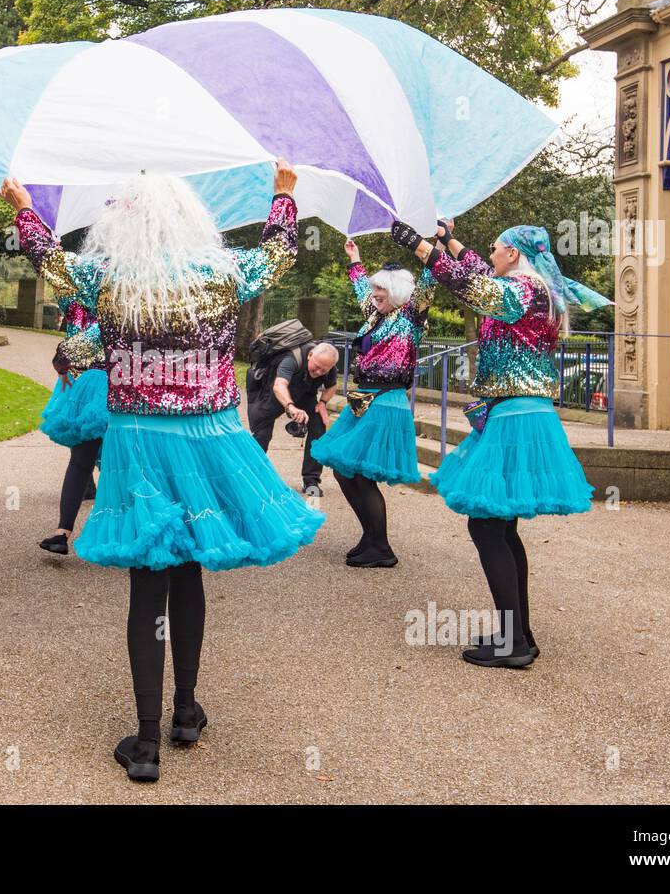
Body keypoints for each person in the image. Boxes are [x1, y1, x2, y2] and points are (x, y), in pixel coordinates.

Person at [2, 161, 323, 783]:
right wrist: (283, 193)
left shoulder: (107, 278)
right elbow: (279, 253)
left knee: (149, 580)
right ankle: (185, 712)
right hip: (209, 438)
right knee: (190, 569)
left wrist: (20, 203)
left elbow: (48, 257)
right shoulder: (223, 273)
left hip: (139, 440)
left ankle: (147, 740)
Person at [390, 218, 607, 668]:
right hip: (519, 412)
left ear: (513, 254)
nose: (489, 255)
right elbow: (477, 273)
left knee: (487, 525)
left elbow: (474, 287)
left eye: (495, 249)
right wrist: (447, 238)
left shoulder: (523, 291)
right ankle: (518, 634)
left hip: (516, 414)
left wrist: (422, 249)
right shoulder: (530, 287)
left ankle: (514, 640)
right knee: (499, 526)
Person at [311, 239, 435, 567]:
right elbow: (360, 291)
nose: (375, 293)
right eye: (375, 288)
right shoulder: (375, 316)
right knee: (343, 469)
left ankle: (381, 547)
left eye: (381, 289)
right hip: (363, 398)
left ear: (396, 292)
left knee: (361, 474)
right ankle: (370, 536)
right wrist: (355, 259)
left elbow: (429, 281)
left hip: (386, 400)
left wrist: (433, 243)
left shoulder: (410, 317)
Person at [36, 289, 108, 556]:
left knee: (80, 462)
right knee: (126, 463)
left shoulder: (76, 297)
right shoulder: (129, 298)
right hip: (120, 385)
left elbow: (73, 344)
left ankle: (62, 533)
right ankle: (128, 534)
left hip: (87, 386)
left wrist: (61, 363)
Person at [246, 340, 339, 496]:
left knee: (318, 425)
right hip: (270, 393)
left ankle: (311, 481)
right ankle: (249, 478)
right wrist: (290, 406)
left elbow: (332, 385)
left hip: (304, 391)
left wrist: (322, 402)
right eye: (316, 367)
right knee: (262, 435)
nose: (318, 373)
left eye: (323, 371)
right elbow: (279, 385)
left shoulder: (328, 367)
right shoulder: (291, 359)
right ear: (310, 355)